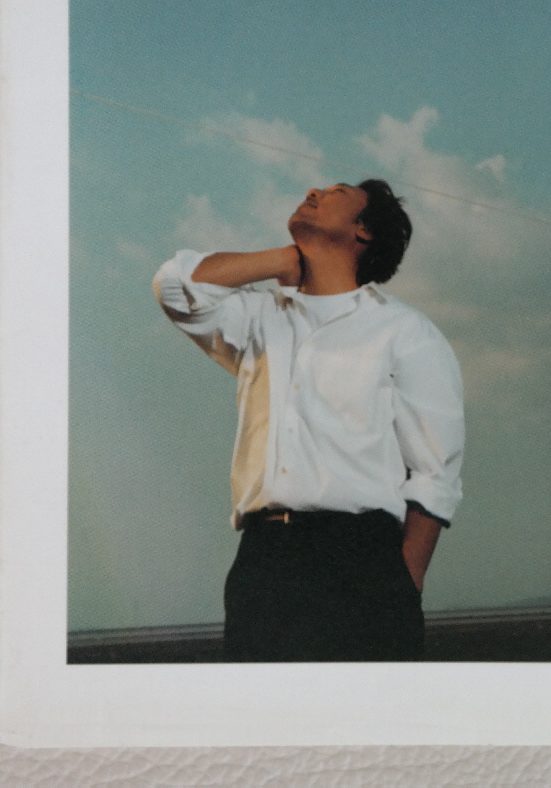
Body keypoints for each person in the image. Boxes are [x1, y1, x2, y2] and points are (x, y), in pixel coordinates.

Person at [153, 179, 464, 662]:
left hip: (364, 560)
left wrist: (404, 583)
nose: (315, 190)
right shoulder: (259, 316)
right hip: (263, 559)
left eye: (338, 191)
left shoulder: (406, 331)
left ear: (363, 231)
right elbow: (174, 284)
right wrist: (283, 260)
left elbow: (435, 471)